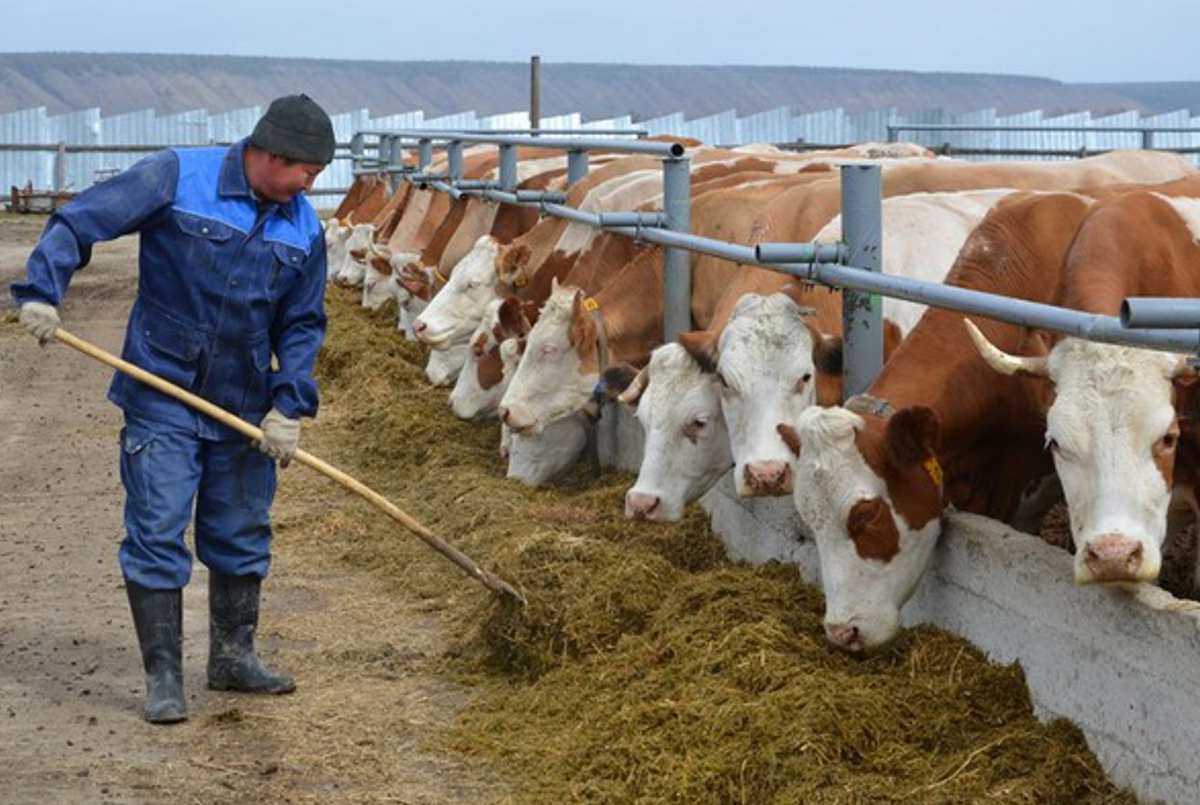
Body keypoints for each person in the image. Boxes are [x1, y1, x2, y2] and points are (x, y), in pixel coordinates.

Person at [10, 94, 335, 724]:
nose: (308, 186)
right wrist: (42, 291)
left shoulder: (303, 227)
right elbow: (81, 221)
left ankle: (233, 658)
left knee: (241, 535)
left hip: (244, 404)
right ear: (267, 153)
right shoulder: (177, 175)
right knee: (158, 530)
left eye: (316, 176)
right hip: (162, 389)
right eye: (305, 172)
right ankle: (164, 677)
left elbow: (302, 324)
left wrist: (289, 404)